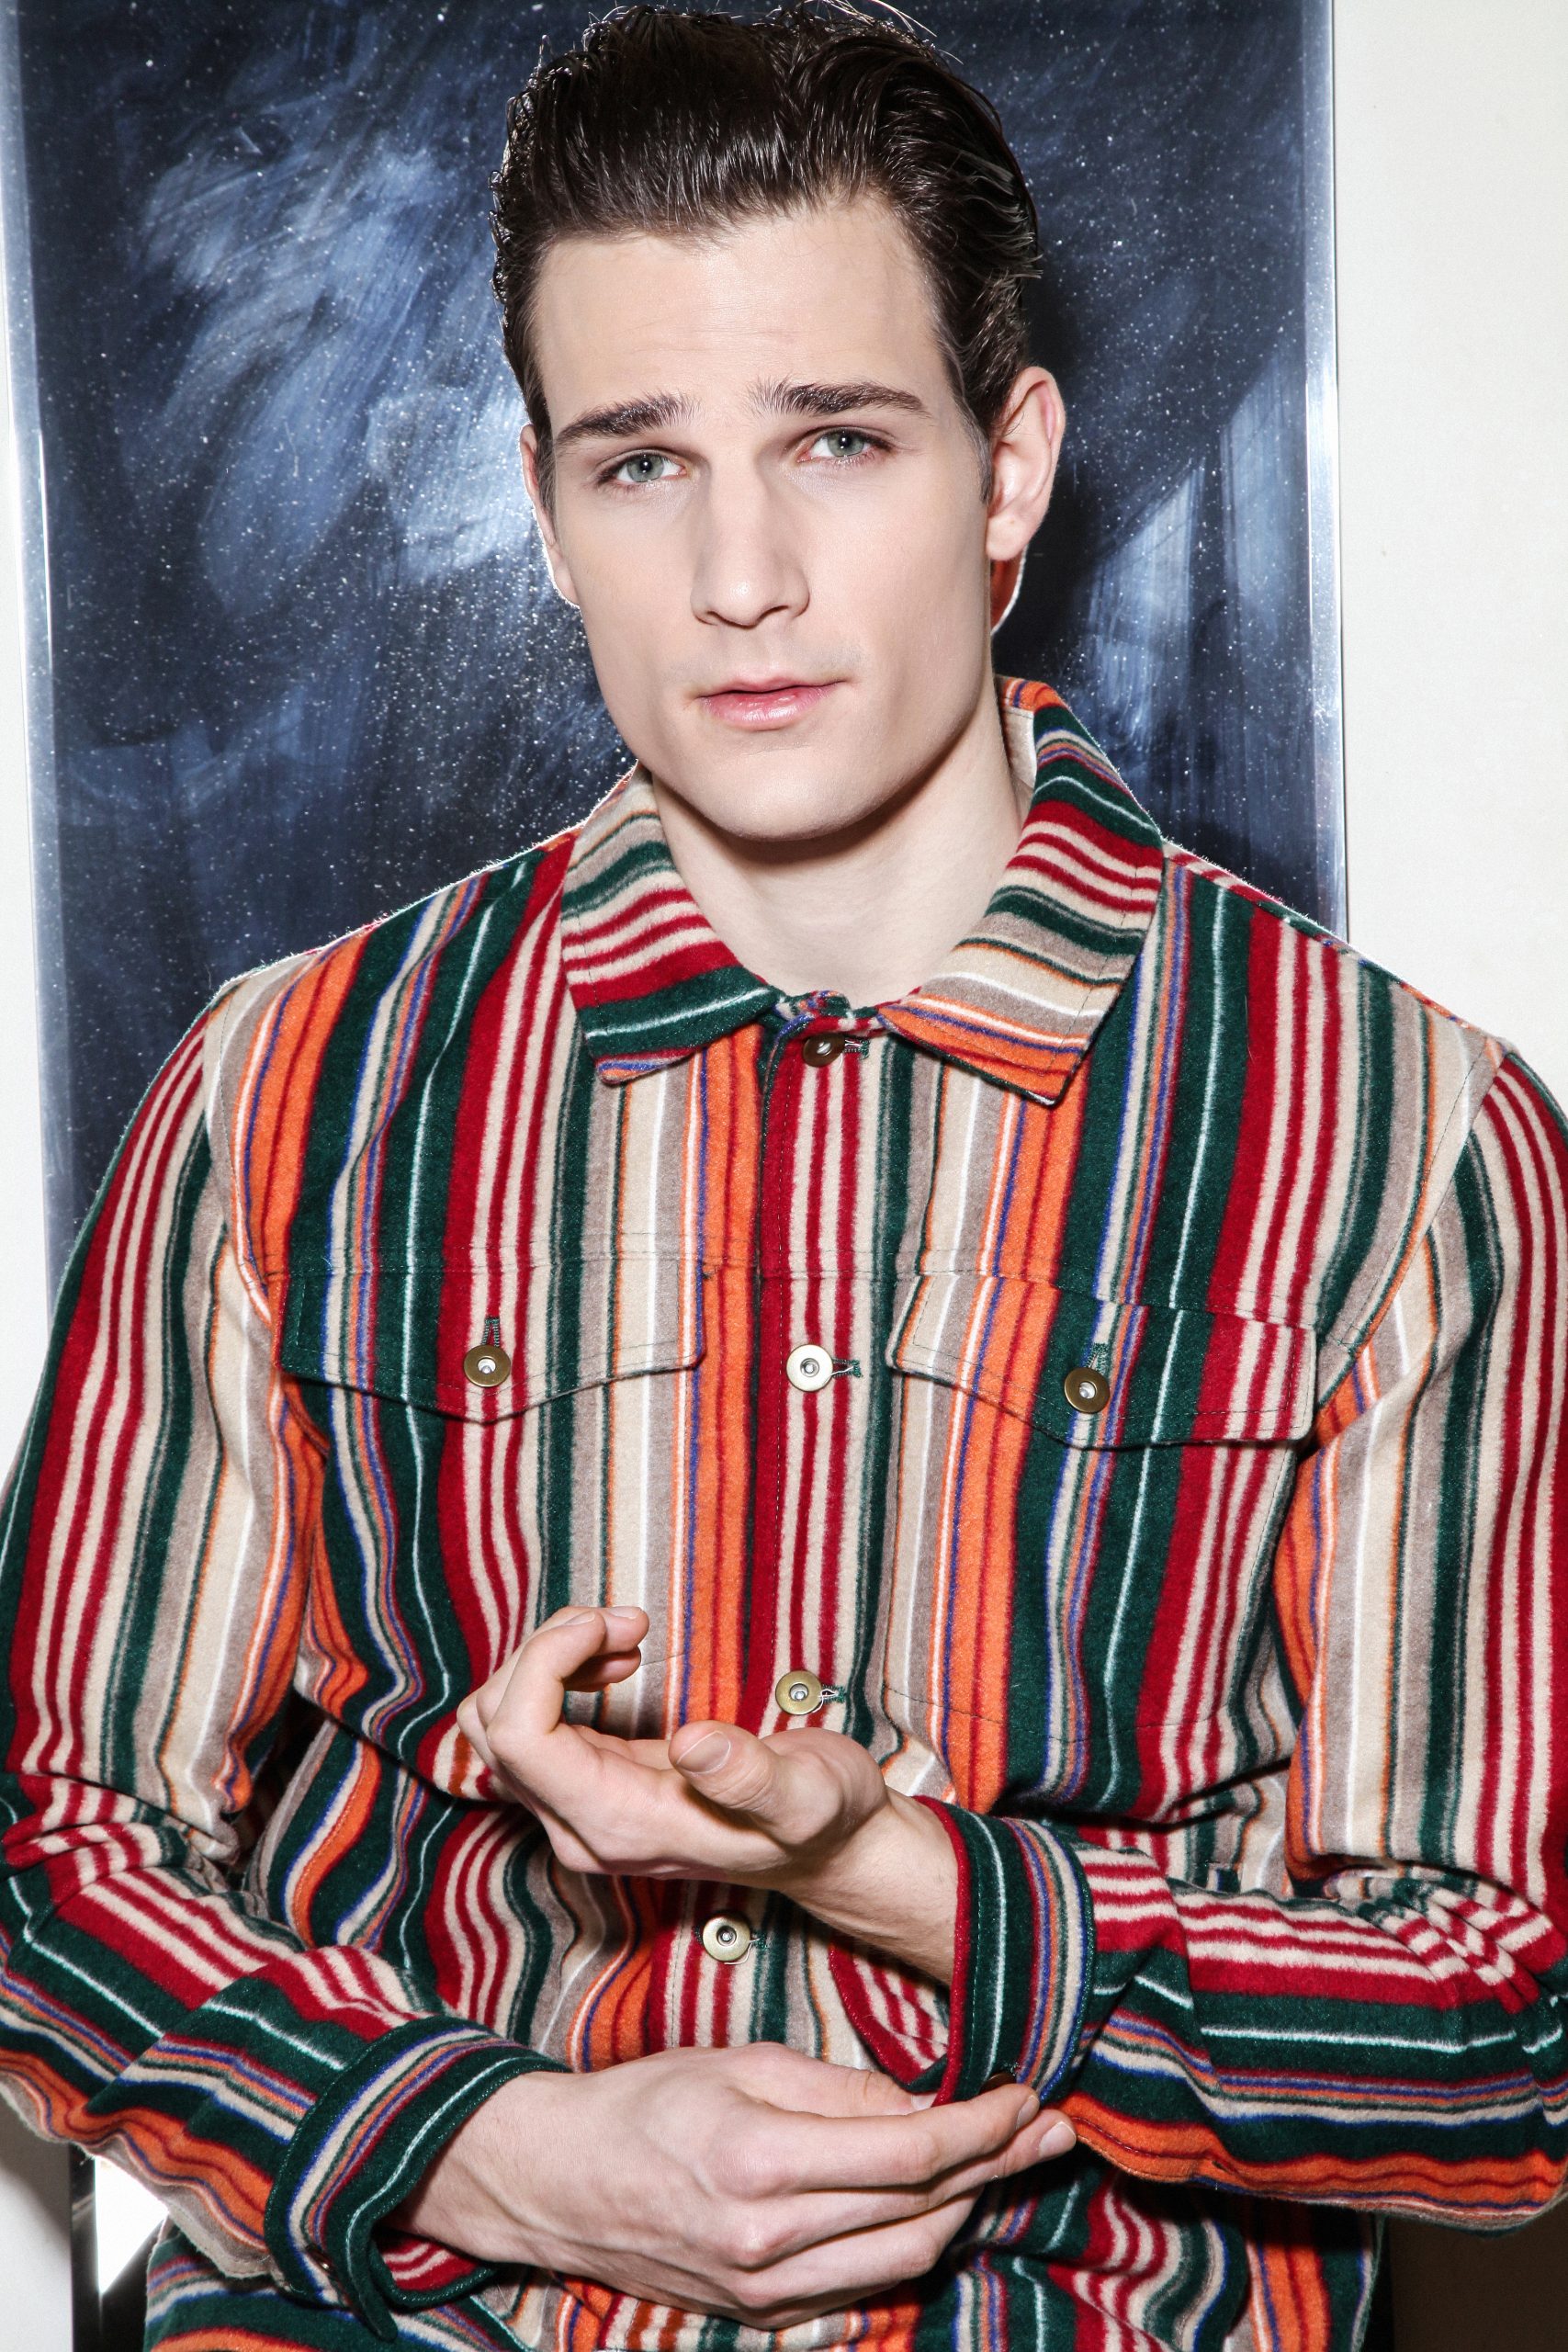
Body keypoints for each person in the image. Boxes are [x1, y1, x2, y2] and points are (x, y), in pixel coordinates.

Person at [2, 6, 1565, 2346]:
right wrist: (490, 2144)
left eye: (835, 438)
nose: (737, 571)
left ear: (1007, 469)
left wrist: (903, 1873)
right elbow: (51, 1848)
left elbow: (1500, 2027)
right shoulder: (289, 1096)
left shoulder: (1399, 1144)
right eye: (641, 461)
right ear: (545, 510)